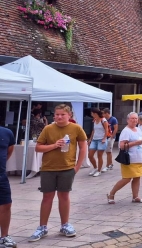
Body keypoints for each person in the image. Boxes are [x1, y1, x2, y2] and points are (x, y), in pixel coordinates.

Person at [29, 104, 87, 242]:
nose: (59, 117)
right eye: (57, 114)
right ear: (54, 115)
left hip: (67, 168)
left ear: (69, 115)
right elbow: (38, 148)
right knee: (47, 197)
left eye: (63, 114)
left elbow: (83, 147)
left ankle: (65, 225)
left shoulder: (76, 128)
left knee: (64, 196)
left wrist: (77, 167)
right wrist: (54, 145)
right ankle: (42, 227)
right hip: (48, 168)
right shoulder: (48, 128)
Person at [106, 113, 142, 204]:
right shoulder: (126, 131)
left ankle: (135, 196)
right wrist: (135, 143)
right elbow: (122, 146)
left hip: (139, 158)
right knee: (127, 178)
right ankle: (111, 194)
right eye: (132, 118)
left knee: (137, 177)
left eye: (136, 118)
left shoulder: (138, 129)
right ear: (128, 120)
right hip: (129, 159)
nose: (134, 120)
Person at [0, 125, 16, 248]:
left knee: (6, 204)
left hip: (1, 176)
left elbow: (9, 150)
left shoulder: (6, 132)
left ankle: (4, 237)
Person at [87, 108, 109, 176]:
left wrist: (104, 138)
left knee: (99, 156)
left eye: (92, 113)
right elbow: (94, 130)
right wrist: (90, 139)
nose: (91, 114)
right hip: (94, 139)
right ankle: (95, 167)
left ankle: (99, 170)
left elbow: (106, 130)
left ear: (95, 113)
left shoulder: (103, 120)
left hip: (101, 140)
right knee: (90, 155)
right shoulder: (94, 120)